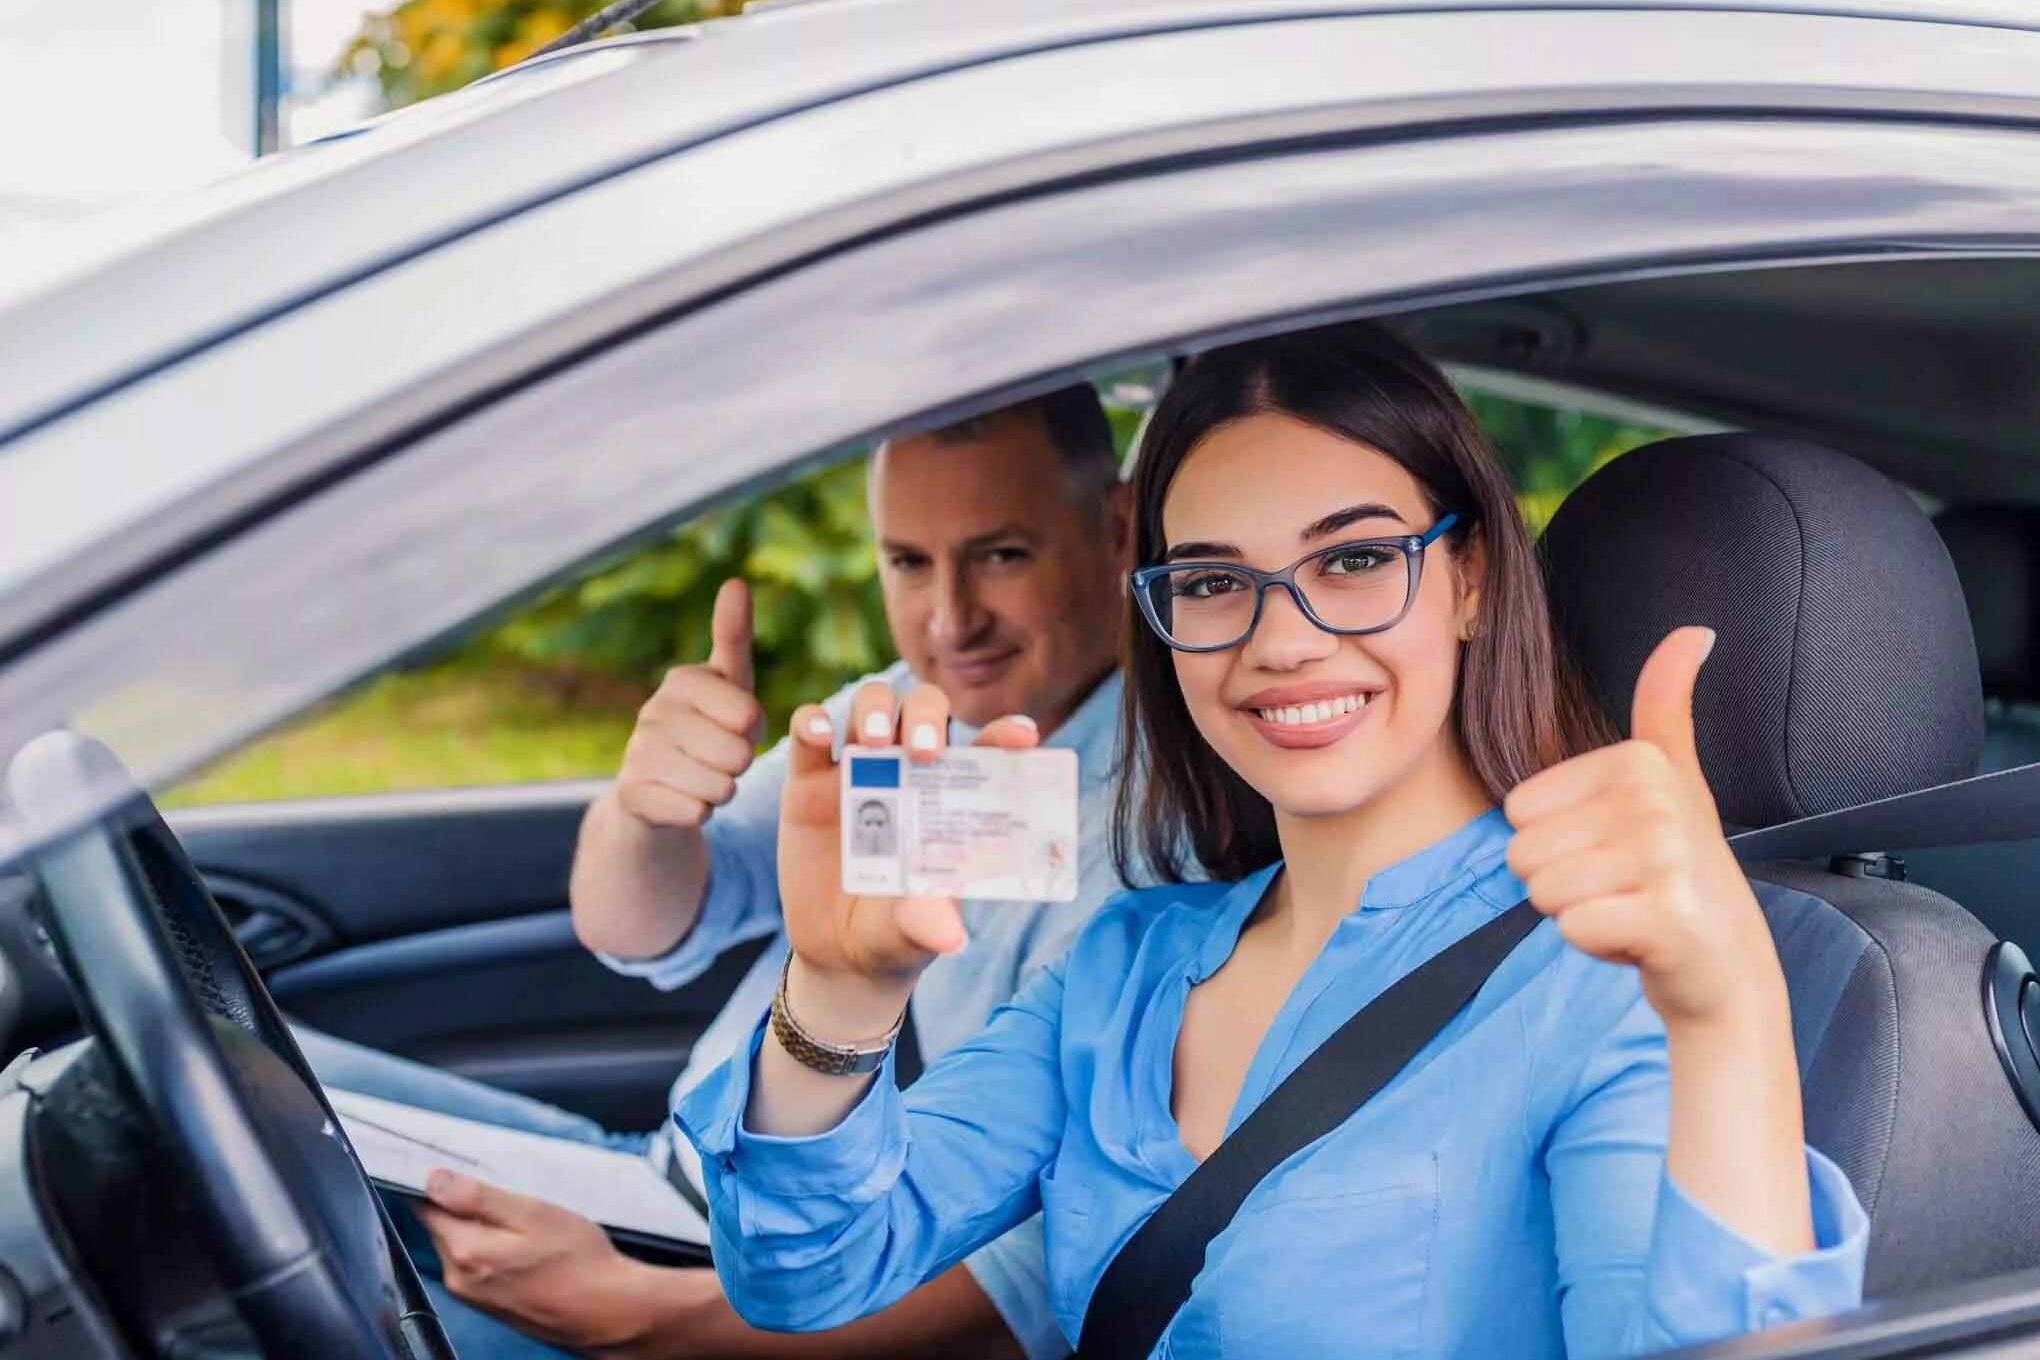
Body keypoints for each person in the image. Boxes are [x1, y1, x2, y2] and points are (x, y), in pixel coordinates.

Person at [677, 324, 1870, 1357]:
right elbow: (805, 1276)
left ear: (1466, 576)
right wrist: (836, 992)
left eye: (1352, 559)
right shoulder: (1123, 964)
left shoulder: (1607, 982)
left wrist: (1729, 1013)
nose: (1280, 639)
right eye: (1209, 581)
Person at [299, 384, 1139, 1360]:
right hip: (659, 1186)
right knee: (263, 1084)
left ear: (1115, 528)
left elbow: (1028, 1283)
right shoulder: (910, 704)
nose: (950, 619)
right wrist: (647, 810)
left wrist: (634, 1316)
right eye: (907, 562)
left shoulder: (1156, 832)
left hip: (746, 1307)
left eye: (1001, 554)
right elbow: (639, 923)